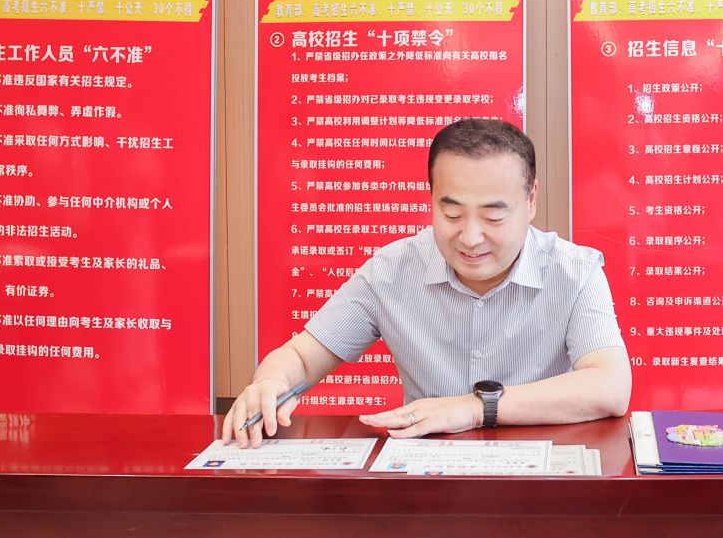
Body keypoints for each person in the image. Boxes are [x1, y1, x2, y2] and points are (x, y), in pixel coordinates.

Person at [222, 118, 631, 446]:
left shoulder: (575, 272)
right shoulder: (391, 271)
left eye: (493, 217)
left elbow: (610, 386)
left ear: (531, 200)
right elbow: (303, 357)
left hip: (544, 485)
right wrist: (270, 382)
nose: (470, 237)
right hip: (425, 486)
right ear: (431, 197)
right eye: (451, 215)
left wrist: (473, 408)